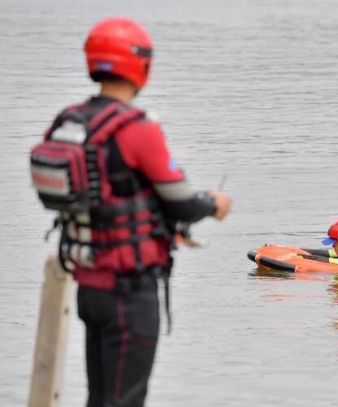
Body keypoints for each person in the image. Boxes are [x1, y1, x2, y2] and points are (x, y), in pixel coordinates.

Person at [30, 17, 231, 407]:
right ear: (141, 65)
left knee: (100, 398)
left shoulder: (71, 122)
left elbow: (109, 195)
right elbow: (183, 200)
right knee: (126, 400)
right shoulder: (137, 128)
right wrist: (214, 204)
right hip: (130, 292)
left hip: (89, 285)